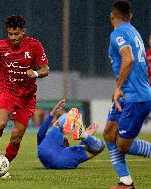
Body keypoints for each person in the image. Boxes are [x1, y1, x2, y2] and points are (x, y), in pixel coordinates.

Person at [0, 15, 50, 178]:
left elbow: (46, 69)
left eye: (16, 34)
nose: (13, 37)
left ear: (23, 31)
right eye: (10, 34)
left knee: (16, 138)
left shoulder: (34, 45)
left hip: (26, 97)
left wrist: (36, 73)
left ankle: (2, 166)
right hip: (7, 91)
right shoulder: (0, 46)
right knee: (0, 123)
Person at [103, 1, 151, 188]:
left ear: (112, 15)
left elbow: (128, 59)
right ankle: (125, 182)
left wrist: (117, 87)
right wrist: (119, 88)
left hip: (136, 97)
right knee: (109, 133)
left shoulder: (118, 33)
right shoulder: (134, 31)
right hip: (126, 95)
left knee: (123, 145)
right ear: (129, 15)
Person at [37, 99, 105, 170]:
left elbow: (40, 134)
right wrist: (86, 137)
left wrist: (52, 114)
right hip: (63, 162)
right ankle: (84, 136)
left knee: (63, 118)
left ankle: (67, 122)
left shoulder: (48, 145)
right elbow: (79, 149)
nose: (66, 140)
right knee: (100, 147)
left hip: (46, 155)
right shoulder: (69, 153)